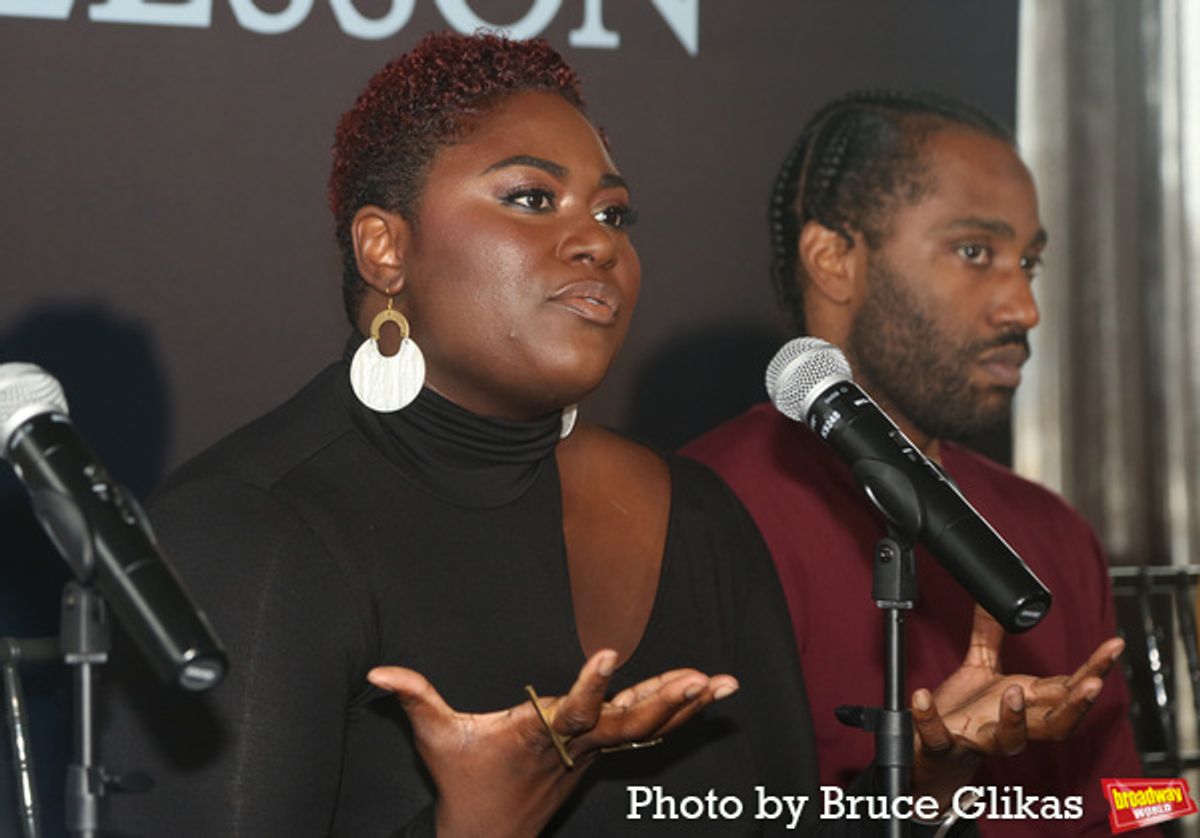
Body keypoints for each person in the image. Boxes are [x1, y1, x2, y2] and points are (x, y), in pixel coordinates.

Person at [98, 45, 1107, 836]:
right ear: (385, 245)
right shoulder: (247, 530)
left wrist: (924, 787)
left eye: (615, 213)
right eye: (532, 198)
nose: (598, 241)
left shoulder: (696, 517)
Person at [683, 90, 1148, 836]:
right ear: (835, 260)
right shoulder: (701, 514)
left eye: (1029, 261)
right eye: (975, 252)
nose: (1023, 307)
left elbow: (1129, 808)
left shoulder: (1051, 531)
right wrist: (920, 796)